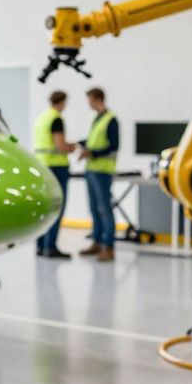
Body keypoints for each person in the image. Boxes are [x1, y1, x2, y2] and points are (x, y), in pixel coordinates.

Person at [33, 90, 76, 259]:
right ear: (62, 102)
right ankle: (50, 247)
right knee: (56, 208)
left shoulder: (42, 117)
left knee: (45, 207)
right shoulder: (56, 119)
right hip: (57, 167)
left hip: (43, 165)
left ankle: (41, 245)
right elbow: (60, 146)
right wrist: (73, 147)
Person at [78, 87, 119, 262]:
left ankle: (108, 247)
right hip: (91, 169)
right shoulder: (97, 119)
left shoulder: (111, 120)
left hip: (103, 171)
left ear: (97, 99)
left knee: (104, 209)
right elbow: (93, 141)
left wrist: (92, 153)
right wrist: (77, 144)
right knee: (94, 208)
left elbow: (113, 146)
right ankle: (97, 242)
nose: (88, 104)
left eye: (89, 100)